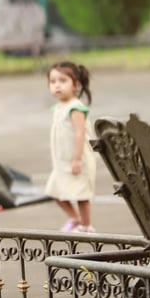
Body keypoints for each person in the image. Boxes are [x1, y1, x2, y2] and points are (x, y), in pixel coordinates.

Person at [44, 61, 96, 233]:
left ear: (76, 85)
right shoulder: (58, 107)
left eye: (63, 81)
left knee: (81, 195)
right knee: (54, 191)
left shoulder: (76, 108)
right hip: (62, 160)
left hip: (77, 158)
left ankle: (86, 226)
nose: (57, 85)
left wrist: (77, 159)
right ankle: (75, 218)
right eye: (53, 82)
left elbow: (80, 134)